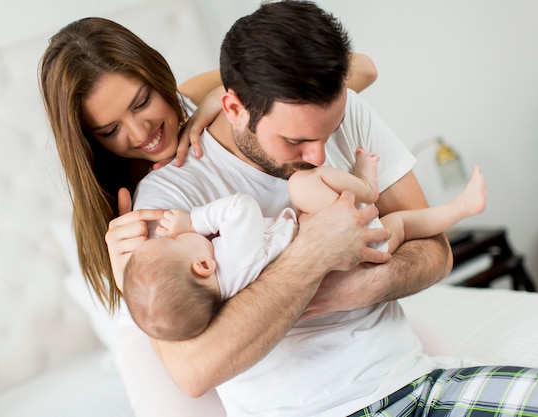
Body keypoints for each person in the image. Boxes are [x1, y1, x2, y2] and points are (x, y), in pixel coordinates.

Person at [106, 1, 538, 416]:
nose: (318, 156)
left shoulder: (340, 106)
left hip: (419, 382)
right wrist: (313, 256)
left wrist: (358, 287)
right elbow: (193, 371)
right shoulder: (166, 205)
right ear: (234, 108)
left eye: (328, 131)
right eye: (295, 141)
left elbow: (436, 252)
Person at [40, 13, 380, 417]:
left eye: (143, 101)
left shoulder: (197, 103)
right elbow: (192, 369)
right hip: (162, 322)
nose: (138, 133)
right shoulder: (129, 210)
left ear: (157, 73)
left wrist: (221, 100)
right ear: (89, 139)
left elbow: (361, 68)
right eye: (110, 130)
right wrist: (125, 275)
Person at [124, 162, 487, 342]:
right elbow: (241, 208)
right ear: (203, 266)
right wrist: (192, 220)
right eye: (170, 242)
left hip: (325, 245)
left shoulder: (228, 290)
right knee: (399, 223)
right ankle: (459, 208)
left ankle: (368, 188)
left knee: (393, 221)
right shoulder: (234, 257)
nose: (173, 235)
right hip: (351, 255)